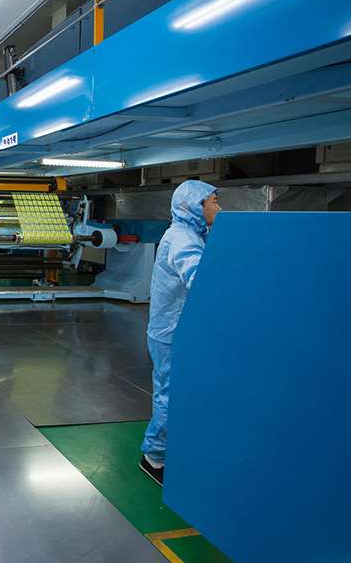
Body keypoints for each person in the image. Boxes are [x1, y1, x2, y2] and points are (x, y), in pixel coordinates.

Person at [140, 180, 221, 486]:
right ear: (195, 206)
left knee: (182, 391)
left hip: (181, 330)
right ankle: (154, 457)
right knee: (170, 395)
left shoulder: (191, 233)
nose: (219, 207)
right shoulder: (183, 239)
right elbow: (199, 281)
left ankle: (175, 447)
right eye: (214, 202)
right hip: (171, 333)